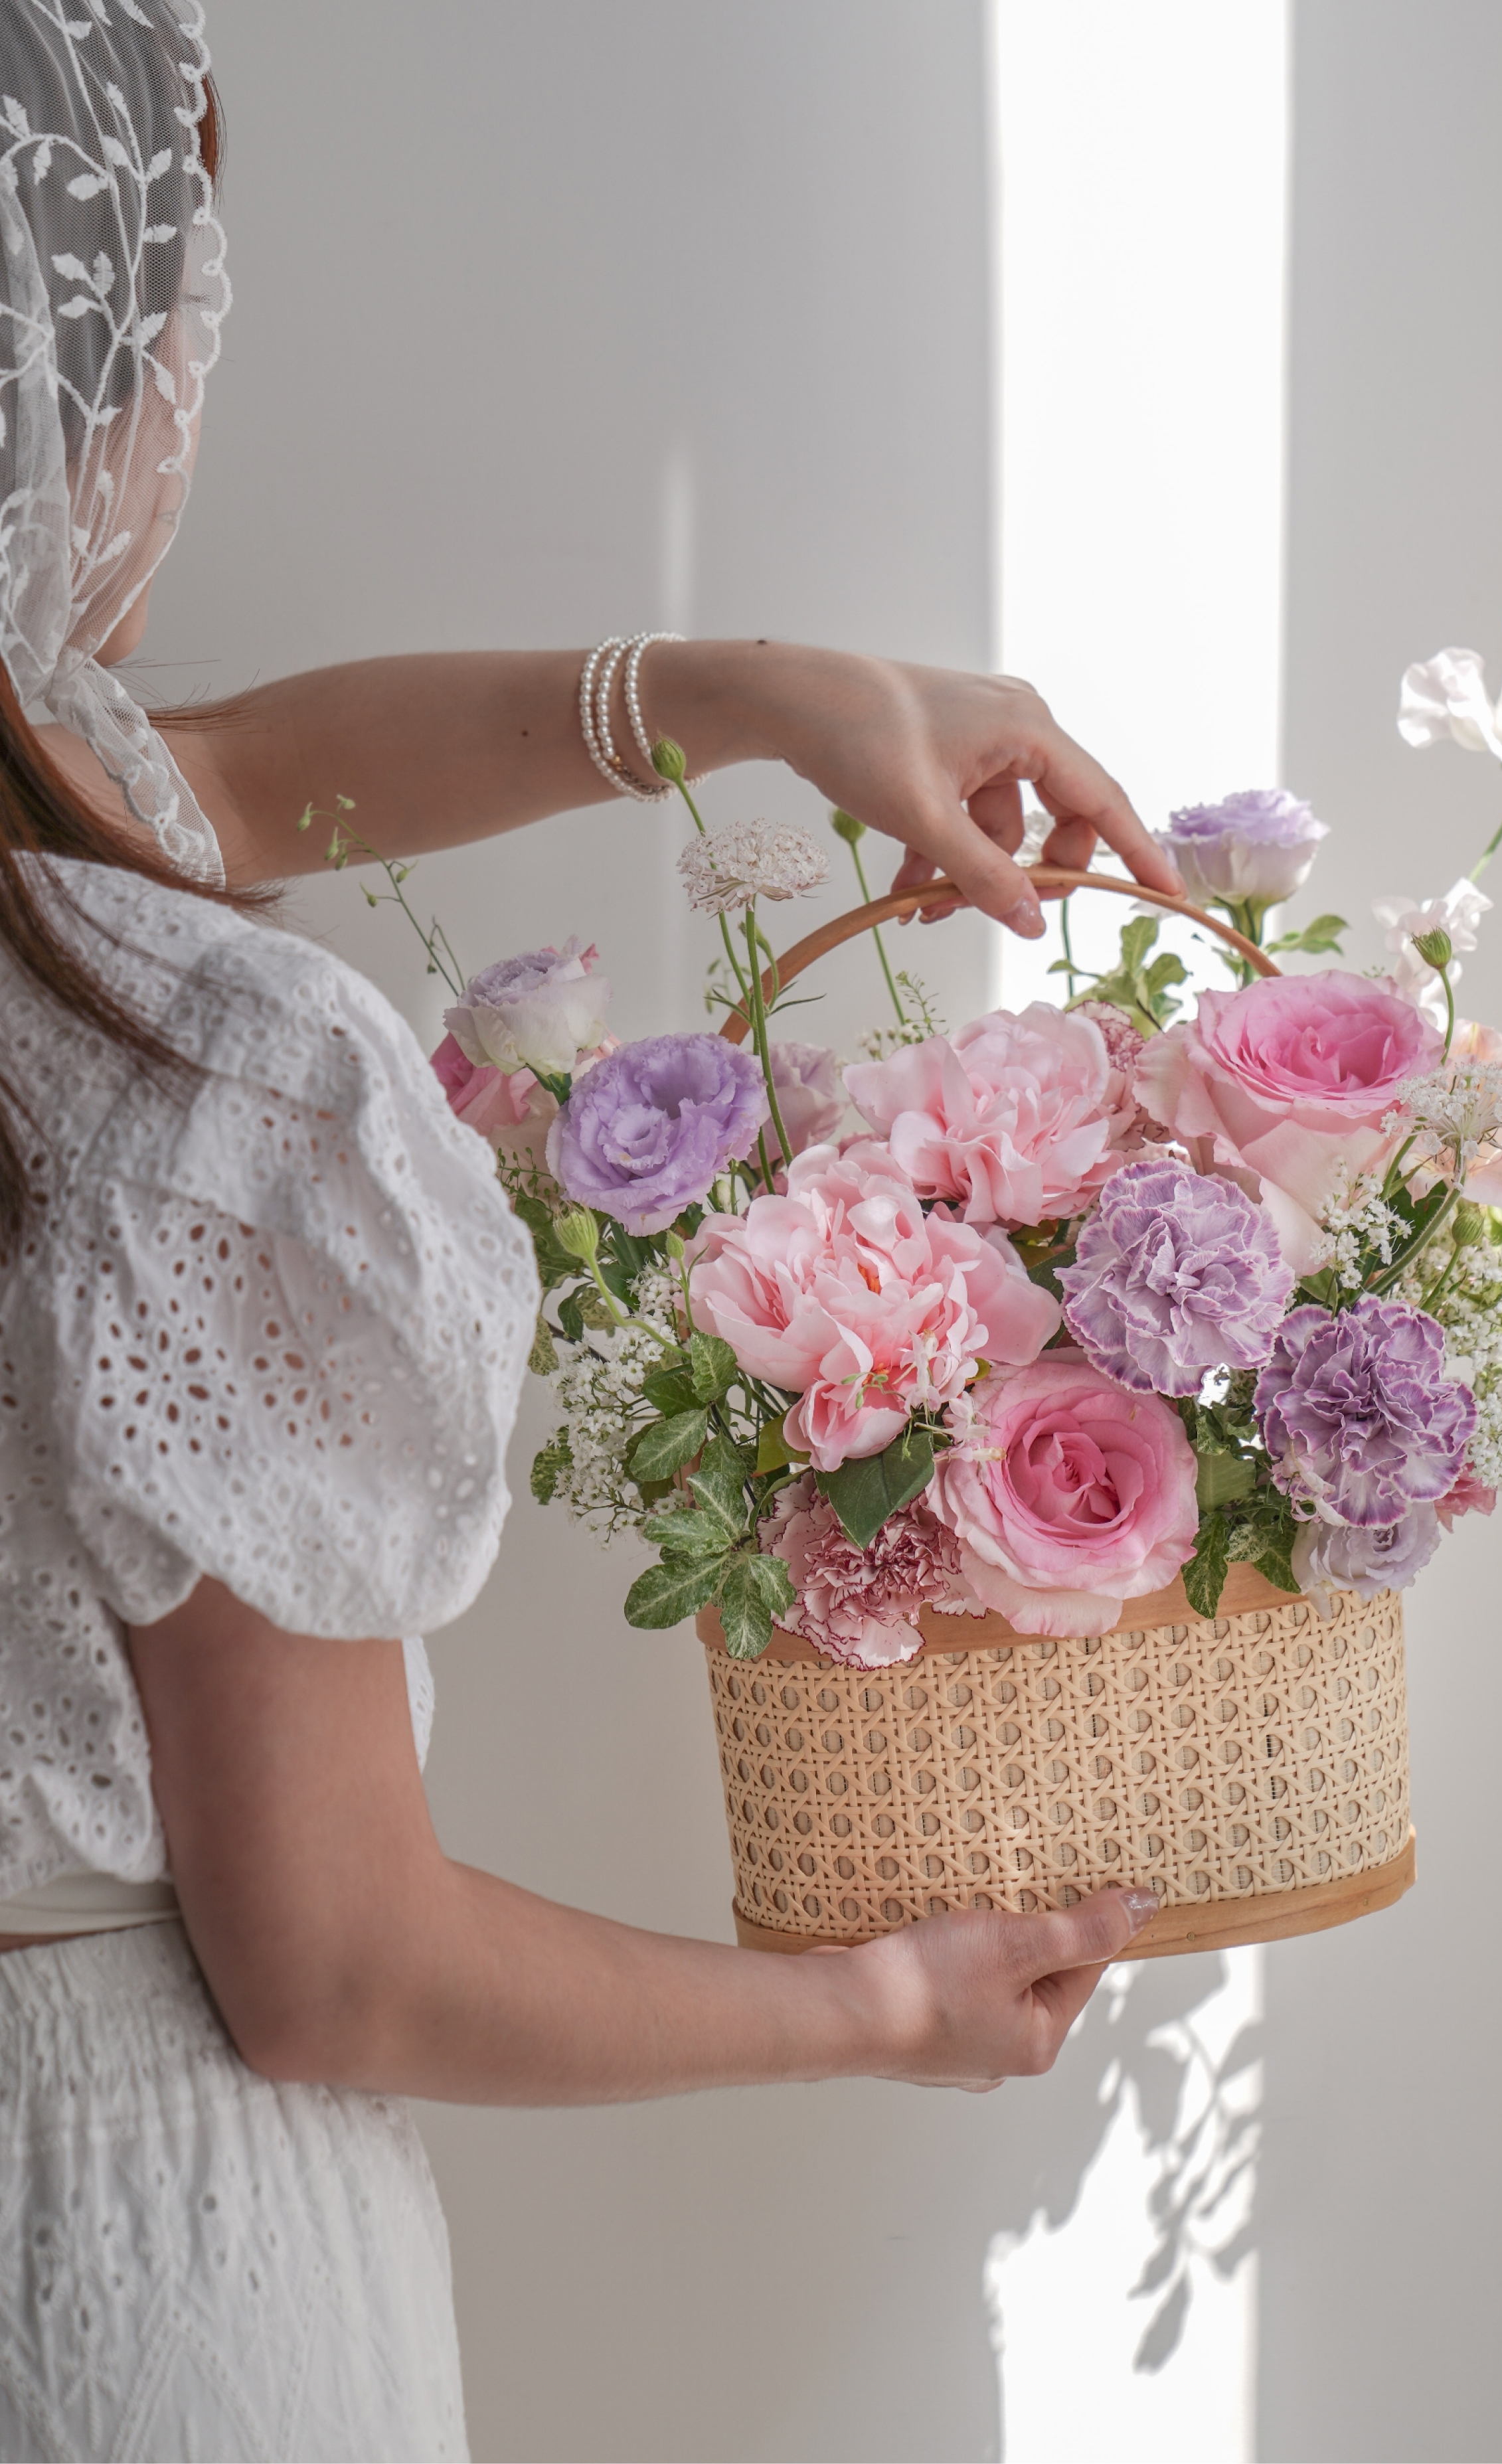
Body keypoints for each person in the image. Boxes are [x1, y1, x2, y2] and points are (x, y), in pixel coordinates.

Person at [0, 5, 1184, 2455]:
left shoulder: (64, 878)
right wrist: (886, 2006)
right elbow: (333, 1966)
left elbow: (195, 773)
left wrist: (760, 691)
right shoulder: (185, 1084)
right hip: (114, 2269)